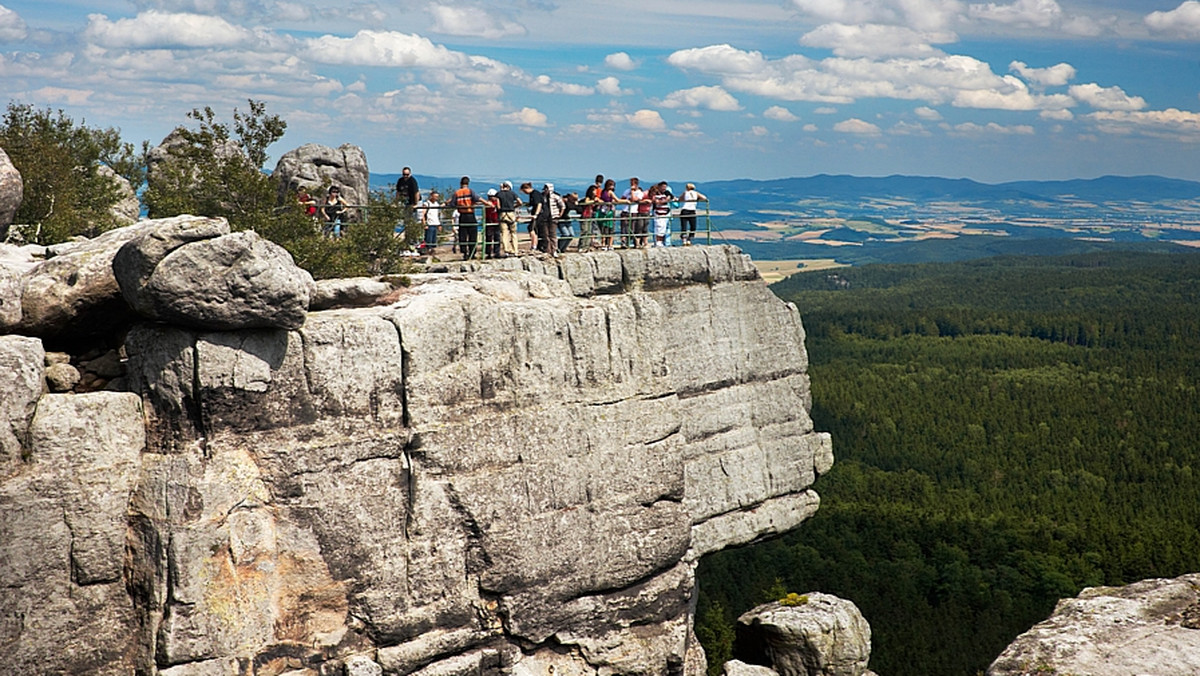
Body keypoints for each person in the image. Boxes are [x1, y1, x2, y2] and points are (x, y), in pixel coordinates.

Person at [452, 176, 486, 260]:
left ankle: (464, 253)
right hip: (470, 214)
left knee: (462, 235)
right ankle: (472, 252)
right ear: (468, 183)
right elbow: (477, 198)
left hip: (462, 216)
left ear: (461, 183)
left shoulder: (457, 193)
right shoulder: (470, 191)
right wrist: (487, 203)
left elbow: (452, 204)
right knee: (472, 235)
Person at [536, 183, 565, 256]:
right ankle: (548, 250)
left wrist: (560, 214)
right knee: (545, 235)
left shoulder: (556, 197)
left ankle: (554, 249)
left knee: (553, 234)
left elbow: (562, 206)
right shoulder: (542, 196)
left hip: (553, 217)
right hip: (544, 217)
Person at [495, 181, 521, 257]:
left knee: (504, 233)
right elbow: (520, 202)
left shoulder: (499, 194)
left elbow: (498, 205)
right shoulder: (512, 193)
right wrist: (514, 206)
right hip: (511, 214)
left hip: (502, 214)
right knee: (513, 233)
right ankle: (515, 250)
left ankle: (506, 250)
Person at [623, 177, 648, 248]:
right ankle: (624, 242)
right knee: (624, 228)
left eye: (632, 183)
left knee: (633, 228)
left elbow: (634, 199)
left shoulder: (639, 193)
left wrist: (632, 192)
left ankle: (634, 243)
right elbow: (622, 198)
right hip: (625, 210)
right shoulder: (626, 191)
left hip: (633, 211)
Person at [520, 182, 542, 253]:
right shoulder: (533, 194)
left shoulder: (535, 194)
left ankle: (534, 245)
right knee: (533, 229)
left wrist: (536, 214)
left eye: (524, 191)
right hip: (536, 214)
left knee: (532, 229)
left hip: (538, 215)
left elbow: (539, 204)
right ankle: (535, 245)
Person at [598, 179, 619, 250]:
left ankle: (604, 244)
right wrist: (626, 201)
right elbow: (617, 200)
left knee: (604, 228)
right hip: (609, 211)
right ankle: (610, 244)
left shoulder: (603, 192)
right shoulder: (610, 192)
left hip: (603, 211)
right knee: (610, 228)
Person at [650, 182, 672, 247]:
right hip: (658, 214)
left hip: (664, 214)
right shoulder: (655, 195)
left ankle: (661, 241)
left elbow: (669, 198)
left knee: (663, 228)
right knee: (658, 228)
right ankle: (658, 242)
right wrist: (663, 201)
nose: (664, 188)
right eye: (662, 187)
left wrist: (664, 200)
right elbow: (656, 201)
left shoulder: (666, 194)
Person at [577, 184, 598, 251]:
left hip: (589, 216)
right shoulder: (588, 198)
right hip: (585, 216)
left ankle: (586, 246)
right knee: (584, 231)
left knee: (589, 232)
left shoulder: (593, 198)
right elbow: (586, 202)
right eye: (594, 190)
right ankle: (581, 246)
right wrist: (594, 201)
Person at [483, 188, 501, 259]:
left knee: (497, 237)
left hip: (496, 221)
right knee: (489, 237)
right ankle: (489, 253)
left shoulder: (496, 203)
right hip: (489, 221)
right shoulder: (488, 203)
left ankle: (496, 252)